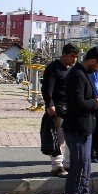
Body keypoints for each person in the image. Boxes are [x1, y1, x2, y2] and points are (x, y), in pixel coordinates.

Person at [61, 46, 98, 194]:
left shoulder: (84, 73)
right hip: (77, 129)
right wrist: (97, 102)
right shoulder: (77, 75)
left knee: (86, 170)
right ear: (92, 61)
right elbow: (78, 104)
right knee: (78, 171)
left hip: (86, 130)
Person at [41, 43, 79, 177]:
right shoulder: (53, 68)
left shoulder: (71, 69)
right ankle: (57, 166)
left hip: (69, 109)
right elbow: (46, 88)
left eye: (76, 56)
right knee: (57, 139)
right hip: (57, 109)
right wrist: (49, 105)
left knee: (70, 138)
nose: (74, 59)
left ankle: (68, 164)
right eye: (72, 56)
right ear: (64, 55)